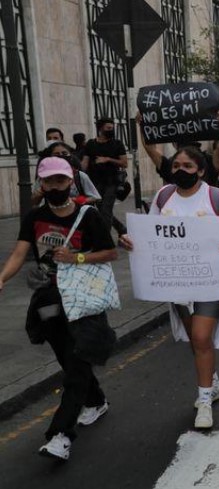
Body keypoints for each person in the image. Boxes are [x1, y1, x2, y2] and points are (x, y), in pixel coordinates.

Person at [120, 147, 219, 429]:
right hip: (177, 283)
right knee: (195, 338)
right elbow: (149, 232)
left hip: (209, 282)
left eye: (188, 166)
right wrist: (130, 240)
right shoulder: (164, 196)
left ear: (201, 170)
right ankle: (212, 382)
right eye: (176, 165)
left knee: (202, 336)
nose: (181, 170)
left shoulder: (216, 197)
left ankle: (204, 401)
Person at [0, 157, 118, 460]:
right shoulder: (34, 217)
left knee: (78, 363)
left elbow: (110, 253)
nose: (55, 186)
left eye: (61, 181)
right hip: (49, 299)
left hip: (83, 298)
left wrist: (76, 258)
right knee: (67, 357)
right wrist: (2, 278)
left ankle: (61, 435)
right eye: (49, 181)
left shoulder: (88, 216)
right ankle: (97, 400)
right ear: (42, 184)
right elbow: (19, 254)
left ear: (71, 182)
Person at [81, 118, 127, 231]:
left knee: (106, 209)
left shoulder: (117, 144)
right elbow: (84, 163)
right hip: (95, 182)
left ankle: (105, 239)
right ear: (100, 129)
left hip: (112, 182)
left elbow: (124, 163)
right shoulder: (91, 144)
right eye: (108, 128)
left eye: (112, 128)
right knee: (102, 210)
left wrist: (108, 159)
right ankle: (121, 228)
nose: (111, 130)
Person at [33, 143, 101, 207]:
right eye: (56, 154)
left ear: (70, 181)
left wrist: (78, 200)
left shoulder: (79, 176)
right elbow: (34, 202)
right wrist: (38, 195)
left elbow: (96, 197)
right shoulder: (43, 177)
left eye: (64, 153)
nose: (61, 156)